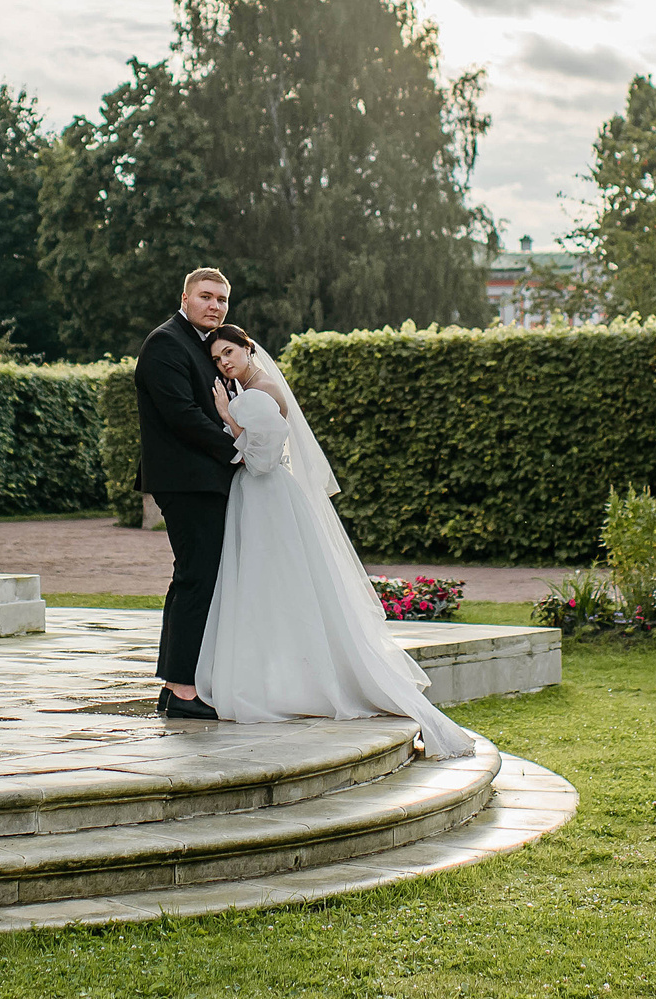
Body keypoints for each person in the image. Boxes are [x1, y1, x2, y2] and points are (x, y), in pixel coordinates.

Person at [190, 323, 475, 759]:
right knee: (282, 588)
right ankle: (287, 675)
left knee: (264, 585)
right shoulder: (259, 387)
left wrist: (228, 417)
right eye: (217, 359)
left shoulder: (253, 395)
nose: (224, 362)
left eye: (229, 352)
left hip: (264, 496)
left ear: (249, 349)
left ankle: (279, 683)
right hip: (268, 498)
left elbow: (262, 460)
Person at [134, 267, 243, 720]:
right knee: (197, 578)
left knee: (194, 578)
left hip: (203, 479)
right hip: (187, 481)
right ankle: (182, 691)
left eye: (221, 299)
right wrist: (239, 449)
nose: (215, 305)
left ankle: (177, 684)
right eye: (206, 296)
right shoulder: (166, 343)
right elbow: (182, 416)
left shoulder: (206, 347)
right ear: (185, 296)